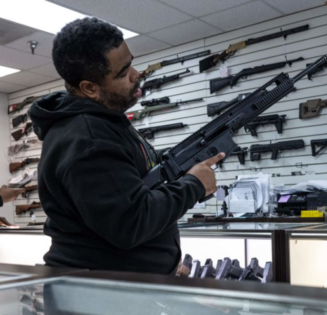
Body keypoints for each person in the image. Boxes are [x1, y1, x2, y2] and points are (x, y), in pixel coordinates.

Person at [28, 17, 224, 274]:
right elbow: (130, 223)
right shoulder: (88, 138)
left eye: (131, 64)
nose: (136, 75)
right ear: (89, 88)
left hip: (121, 283)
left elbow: (133, 181)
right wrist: (193, 185)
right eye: (122, 73)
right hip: (100, 296)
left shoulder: (106, 121)